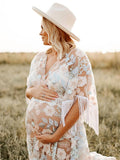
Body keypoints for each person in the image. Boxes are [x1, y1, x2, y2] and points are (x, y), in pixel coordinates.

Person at [25, 3, 117, 160]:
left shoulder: (77, 58)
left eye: (43, 28)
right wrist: (32, 92)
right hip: (36, 138)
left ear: (53, 29)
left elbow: (81, 102)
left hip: (64, 138)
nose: (40, 33)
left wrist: (56, 136)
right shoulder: (38, 58)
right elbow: (28, 91)